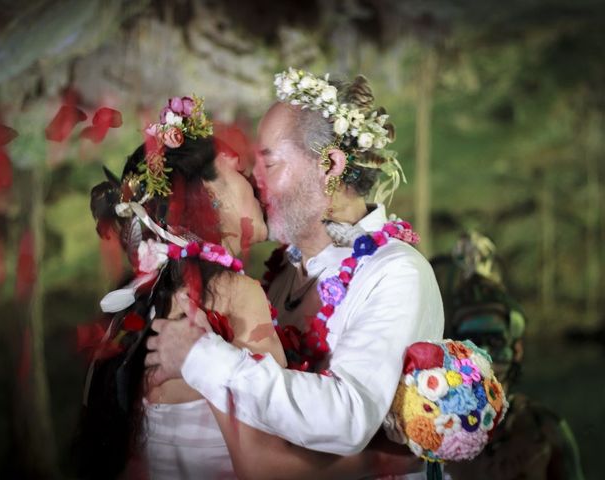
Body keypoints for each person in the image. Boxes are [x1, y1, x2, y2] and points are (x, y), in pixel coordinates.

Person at [77, 94, 416, 480]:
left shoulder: (150, 298)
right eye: (239, 172)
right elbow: (265, 465)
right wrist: (393, 458)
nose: (256, 181)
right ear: (212, 197)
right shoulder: (231, 294)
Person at [145, 69, 445, 478]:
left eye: (269, 164)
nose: (255, 180)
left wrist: (200, 358)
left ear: (331, 165)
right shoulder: (281, 271)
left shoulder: (396, 273)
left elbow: (349, 417)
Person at [432, 232, 585, 480]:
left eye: (494, 341)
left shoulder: (543, 430)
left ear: (517, 349)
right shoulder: (437, 428)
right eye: (474, 342)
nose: (484, 353)